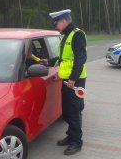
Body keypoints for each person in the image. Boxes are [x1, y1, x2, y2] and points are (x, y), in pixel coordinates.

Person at [41, 9, 87, 156]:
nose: (55, 26)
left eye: (56, 23)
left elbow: (81, 58)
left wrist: (73, 78)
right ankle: (71, 135)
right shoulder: (66, 36)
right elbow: (63, 58)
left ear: (63, 21)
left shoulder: (76, 35)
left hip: (76, 80)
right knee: (66, 111)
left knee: (74, 111)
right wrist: (49, 61)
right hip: (66, 80)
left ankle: (76, 142)